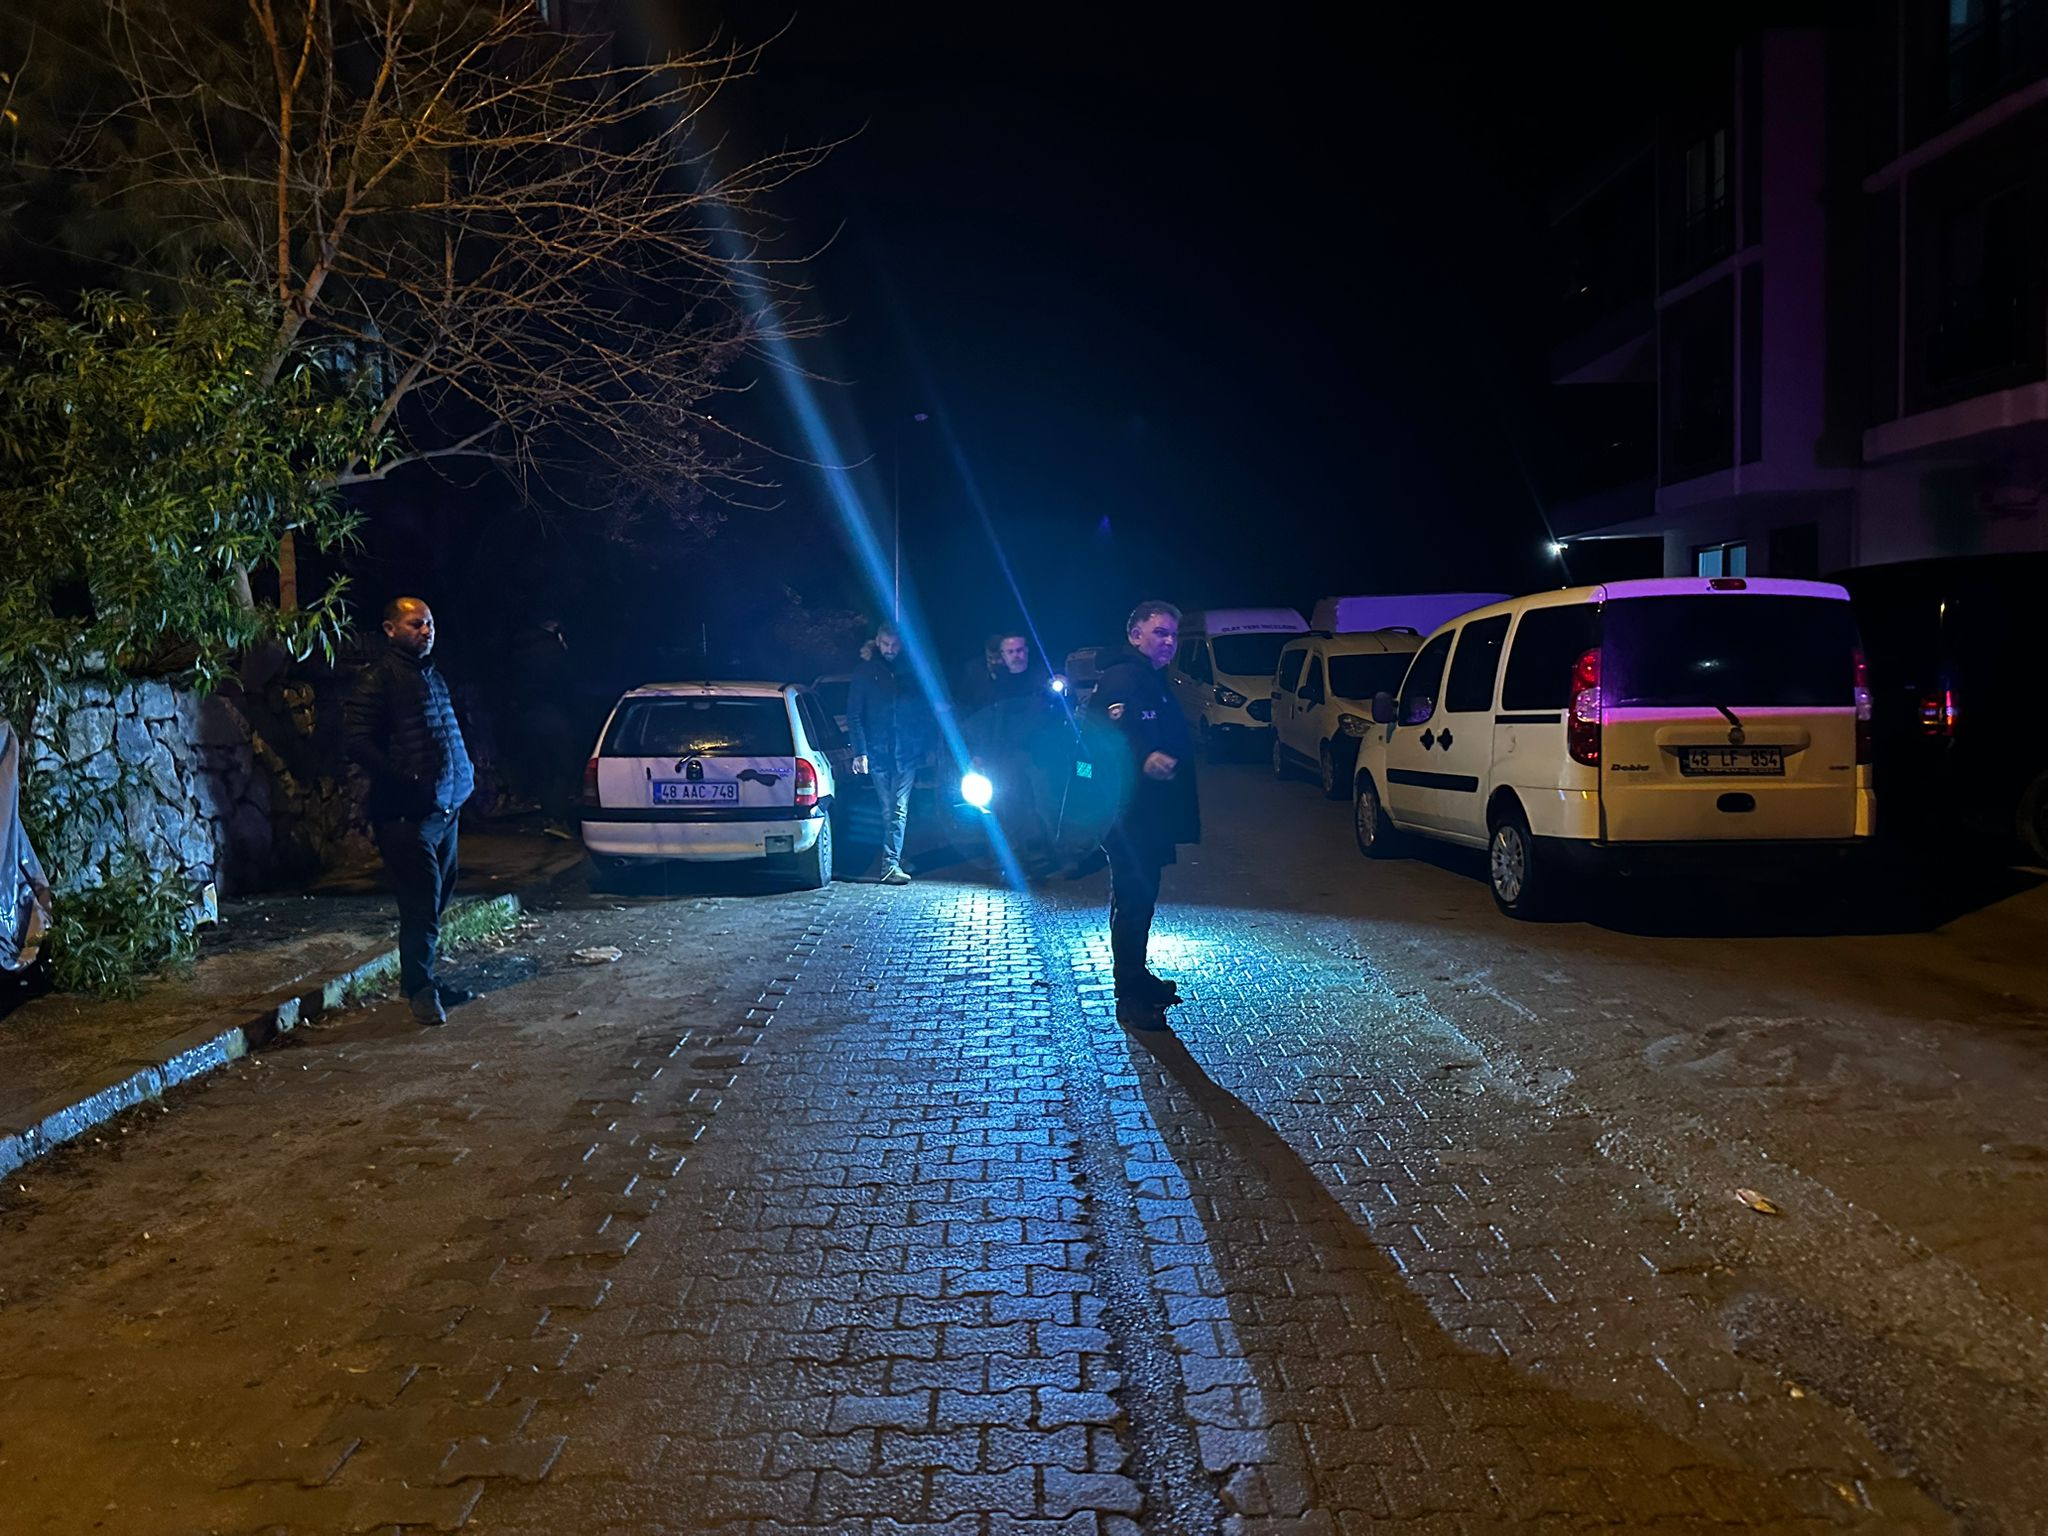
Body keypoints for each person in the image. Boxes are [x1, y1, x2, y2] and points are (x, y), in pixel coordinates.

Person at [344, 597, 476, 1026]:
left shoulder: (431, 675)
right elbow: (358, 740)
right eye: (416, 624)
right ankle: (420, 990)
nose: (426, 631)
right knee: (421, 904)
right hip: (406, 816)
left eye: (430, 624)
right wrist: (407, 779)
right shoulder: (378, 679)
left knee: (437, 901)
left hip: (445, 810)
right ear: (389, 629)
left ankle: (424, 979)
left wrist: (462, 777)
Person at [1083, 600, 1200, 1029]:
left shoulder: (1150, 677)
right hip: (1128, 814)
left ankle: (1137, 975)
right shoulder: (1123, 677)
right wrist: (1144, 756)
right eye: (1159, 633)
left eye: (1172, 634)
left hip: (1147, 813)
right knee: (1133, 900)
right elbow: (1110, 737)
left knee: (1142, 897)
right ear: (1135, 635)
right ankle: (1129, 993)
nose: (1168, 642)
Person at [846, 620, 934, 885]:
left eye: (894, 645)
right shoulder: (865, 672)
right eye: (886, 644)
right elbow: (855, 714)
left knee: (897, 809)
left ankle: (890, 863)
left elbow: (922, 712)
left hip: (905, 752)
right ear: (878, 641)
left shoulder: (909, 673)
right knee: (890, 810)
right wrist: (860, 751)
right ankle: (894, 858)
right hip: (880, 752)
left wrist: (925, 746)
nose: (890, 649)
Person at [963, 631, 1058, 873]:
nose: (1017, 656)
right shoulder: (994, 685)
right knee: (1007, 808)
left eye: (1020, 650)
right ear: (1002, 656)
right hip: (1003, 756)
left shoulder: (1041, 680)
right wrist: (978, 754)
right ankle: (1015, 861)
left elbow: (1059, 715)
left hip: (1038, 755)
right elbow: (982, 721)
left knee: (1045, 806)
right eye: (1011, 651)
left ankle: (1051, 855)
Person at [507, 616, 579, 838]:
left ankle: (548, 817)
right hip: (552, 713)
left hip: (527, 716)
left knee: (544, 769)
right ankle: (557, 819)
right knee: (563, 767)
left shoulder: (519, 649)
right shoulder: (551, 650)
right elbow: (565, 682)